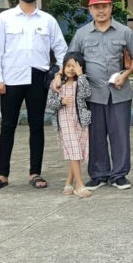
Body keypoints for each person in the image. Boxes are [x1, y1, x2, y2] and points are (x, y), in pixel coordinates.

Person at [0, 0, 67, 191]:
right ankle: (2, 174)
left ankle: (35, 173)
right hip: (10, 79)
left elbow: (61, 49)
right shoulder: (5, 18)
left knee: (37, 126)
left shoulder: (47, 20)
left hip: (38, 78)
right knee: (7, 126)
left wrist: (60, 74)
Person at [64, 0, 133, 191]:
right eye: (96, 7)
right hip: (92, 93)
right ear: (90, 10)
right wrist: (60, 76)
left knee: (120, 135)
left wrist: (126, 74)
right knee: (95, 135)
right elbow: (71, 59)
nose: (101, 11)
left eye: (104, 6)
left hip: (119, 92)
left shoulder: (124, 32)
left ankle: (119, 175)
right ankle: (98, 174)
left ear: (111, 8)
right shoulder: (82, 34)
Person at [46, 52, 94, 198]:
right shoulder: (57, 84)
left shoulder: (81, 82)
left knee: (77, 152)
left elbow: (87, 93)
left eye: (75, 66)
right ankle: (79, 185)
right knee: (74, 151)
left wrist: (81, 76)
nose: (71, 69)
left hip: (79, 121)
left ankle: (68, 183)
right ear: (63, 67)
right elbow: (50, 103)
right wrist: (61, 102)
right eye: (68, 66)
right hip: (64, 120)